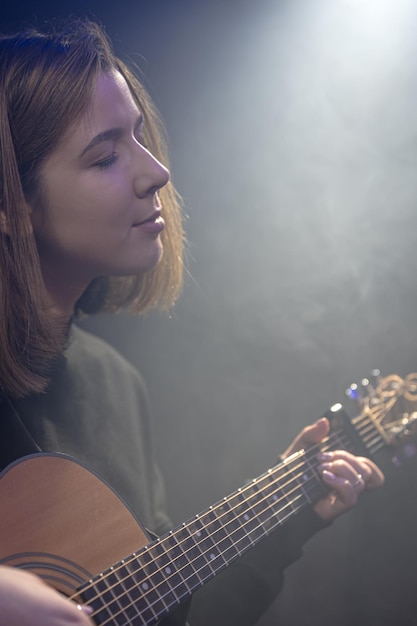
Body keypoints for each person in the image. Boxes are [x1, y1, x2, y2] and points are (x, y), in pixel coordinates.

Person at [0, 18, 384, 626]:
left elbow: (169, 615)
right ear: (11, 205)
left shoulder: (115, 387)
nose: (156, 172)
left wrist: (292, 514)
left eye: (140, 137)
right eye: (104, 158)